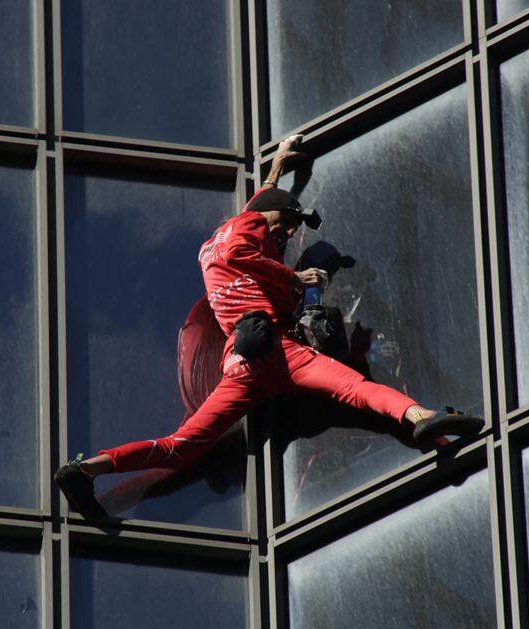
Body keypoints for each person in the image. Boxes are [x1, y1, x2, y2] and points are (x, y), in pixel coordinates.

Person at [56, 135, 484, 517]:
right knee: (356, 389)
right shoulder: (246, 244)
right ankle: (423, 417)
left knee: (179, 446)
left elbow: (258, 208)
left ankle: (88, 468)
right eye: (292, 222)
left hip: (241, 367)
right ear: (274, 219)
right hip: (280, 353)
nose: (291, 232)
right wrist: (296, 278)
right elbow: (252, 244)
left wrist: (278, 165)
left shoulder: (227, 235)